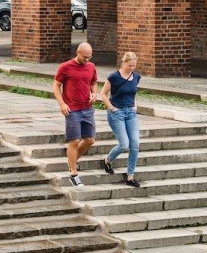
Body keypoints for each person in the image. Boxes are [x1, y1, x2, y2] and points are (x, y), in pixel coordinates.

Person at [52, 43, 99, 187]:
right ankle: (73, 173)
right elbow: (56, 85)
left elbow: (94, 82)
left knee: (90, 140)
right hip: (72, 109)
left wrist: (94, 93)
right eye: (84, 57)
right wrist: (62, 104)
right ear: (77, 52)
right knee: (74, 141)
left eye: (89, 57)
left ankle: (71, 160)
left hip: (87, 108)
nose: (86, 60)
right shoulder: (65, 67)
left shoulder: (91, 66)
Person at [101, 52, 145, 188]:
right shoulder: (114, 77)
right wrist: (111, 108)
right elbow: (103, 94)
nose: (131, 68)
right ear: (123, 63)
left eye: (134, 65)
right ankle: (107, 160)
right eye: (129, 65)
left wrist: (134, 106)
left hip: (130, 112)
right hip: (117, 112)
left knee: (135, 144)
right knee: (124, 144)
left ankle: (130, 177)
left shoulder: (136, 77)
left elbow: (133, 93)